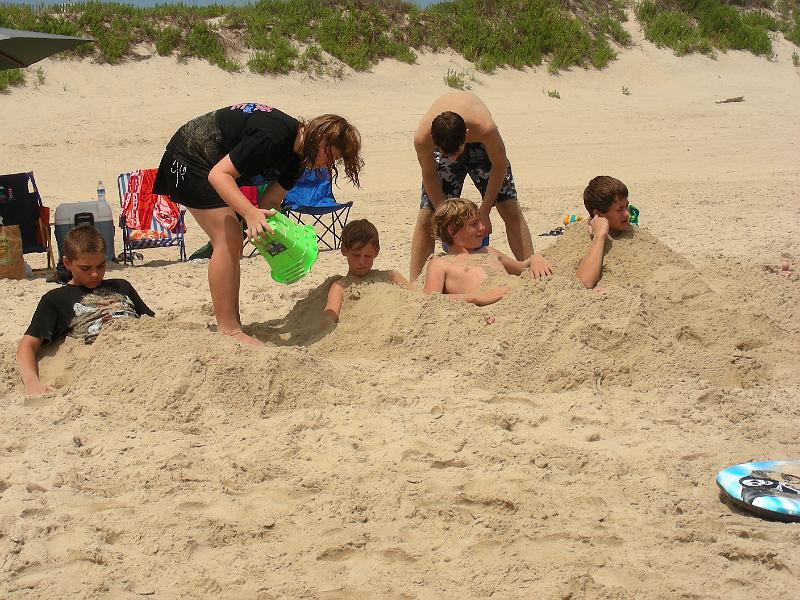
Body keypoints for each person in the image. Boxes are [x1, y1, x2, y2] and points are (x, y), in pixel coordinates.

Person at [152, 102, 364, 346]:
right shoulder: (273, 135)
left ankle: (232, 320)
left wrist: (274, 231)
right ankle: (228, 328)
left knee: (235, 239)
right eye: (330, 156)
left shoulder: (296, 160)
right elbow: (218, 175)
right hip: (189, 157)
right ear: (320, 138)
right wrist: (249, 213)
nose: (327, 166)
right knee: (227, 235)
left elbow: (270, 202)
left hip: (209, 165)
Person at [410, 91, 550, 281]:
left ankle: (531, 270)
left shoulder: (485, 128)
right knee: (427, 215)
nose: (453, 158)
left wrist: (484, 211)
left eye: (456, 152)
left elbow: (499, 166)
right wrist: (443, 213)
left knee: (508, 206)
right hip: (448, 139)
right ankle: (415, 284)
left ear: (466, 135)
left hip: (480, 147)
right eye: (446, 154)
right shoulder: (422, 139)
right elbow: (429, 174)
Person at [16, 226, 154, 397]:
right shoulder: (55, 299)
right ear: (67, 263)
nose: (95, 274)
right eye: (85, 268)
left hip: (147, 354)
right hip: (108, 366)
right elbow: (26, 346)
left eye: (101, 265)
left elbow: (154, 324)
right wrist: (32, 382)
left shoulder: (121, 285)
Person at [423, 198, 551, 306]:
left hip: (524, 300)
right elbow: (431, 300)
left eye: (480, 222)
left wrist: (535, 259)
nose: (483, 227)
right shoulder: (440, 263)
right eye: (474, 224)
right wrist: (476, 297)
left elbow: (522, 268)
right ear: (452, 230)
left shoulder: (488, 251)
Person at [323, 219, 409, 322]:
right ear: (344, 250)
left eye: (368, 256)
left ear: (376, 252)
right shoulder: (341, 286)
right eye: (356, 255)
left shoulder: (391, 276)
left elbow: (417, 297)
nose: (361, 262)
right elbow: (329, 316)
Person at [576, 176, 631, 289]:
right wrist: (600, 236)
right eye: (619, 209)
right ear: (598, 214)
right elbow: (585, 282)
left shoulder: (634, 234)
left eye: (627, 206)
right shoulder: (577, 240)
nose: (626, 214)